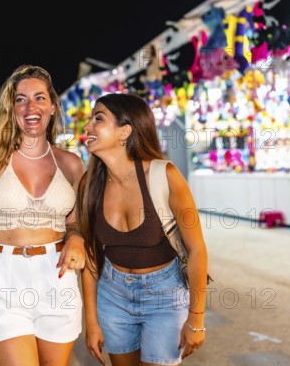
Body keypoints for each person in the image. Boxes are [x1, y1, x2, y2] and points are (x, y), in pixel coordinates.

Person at [77, 93, 209, 366]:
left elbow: (197, 250)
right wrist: (91, 322)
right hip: (112, 294)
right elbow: (90, 257)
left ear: (125, 131)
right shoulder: (90, 184)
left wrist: (196, 319)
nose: (88, 126)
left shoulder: (165, 175)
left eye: (98, 118)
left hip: (165, 294)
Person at [0, 65, 85, 366]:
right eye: (21, 99)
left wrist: (75, 239)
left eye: (39, 98)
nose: (30, 107)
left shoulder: (71, 164)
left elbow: (74, 223)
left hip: (58, 277)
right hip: (2, 278)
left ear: (51, 105)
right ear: (11, 107)